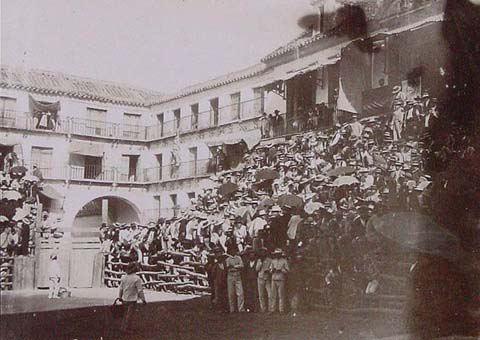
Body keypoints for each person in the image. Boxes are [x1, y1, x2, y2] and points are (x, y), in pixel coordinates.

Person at [118, 262, 147, 333]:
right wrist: (143, 299)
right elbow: (140, 290)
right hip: (132, 299)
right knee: (130, 315)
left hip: (125, 298)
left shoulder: (123, 277)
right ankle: (127, 328)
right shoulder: (137, 278)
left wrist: (119, 297)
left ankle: (123, 327)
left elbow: (121, 288)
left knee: (125, 314)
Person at [269, 248, 289, 313]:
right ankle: (272, 309)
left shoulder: (284, 261)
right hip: (274, 278)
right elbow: (270, 270)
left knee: (281, 295)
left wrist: (281, 270)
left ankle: (281, 310)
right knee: (273, 295)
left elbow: (288, 270)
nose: (277, 255)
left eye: (278, 254)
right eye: (276, 254)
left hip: (281, 278)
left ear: (280, 254)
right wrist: (272, 270)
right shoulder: (273, 261)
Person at [225, 246, 245, 313]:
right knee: (231, 293)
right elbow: (228, 268)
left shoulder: (238, 258)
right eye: (231, 250)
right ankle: (232, 309)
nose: (233, 251)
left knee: (240, 293)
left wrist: (234, 266)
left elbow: (242, 266)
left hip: (238, 276)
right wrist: (236, 267)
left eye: (234, 250)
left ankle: (241, 309)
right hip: (230, 277)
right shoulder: (228, 259)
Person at [255, 247, 272, 313]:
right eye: (261, 252)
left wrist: (268, 271)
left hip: (267, 278)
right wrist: (260, 263)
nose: (263, 253)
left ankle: (270, 308)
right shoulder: (259, 260)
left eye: (264, 252)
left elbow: (271, 269)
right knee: (261, 295)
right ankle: (263, 308)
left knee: (270, 294)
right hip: (260, 278)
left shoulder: (270, 260)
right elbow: (257, 269)